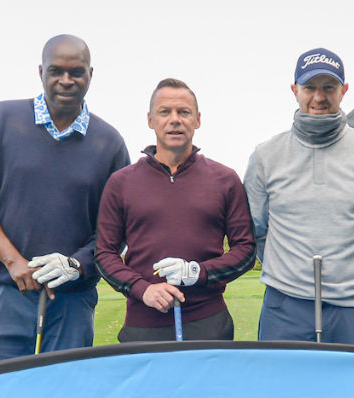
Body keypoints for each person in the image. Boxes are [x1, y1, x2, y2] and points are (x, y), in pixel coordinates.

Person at [0, 34, 130, 364]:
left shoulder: (109, 143)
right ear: (41, 72)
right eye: (56, 71)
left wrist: (77, 265)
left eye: (76, 72)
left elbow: (116, 230)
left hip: (72, 299)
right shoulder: (1, 120)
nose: (66, 80)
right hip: (3, 290)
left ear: (91, 75)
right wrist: (13, 261)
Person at [244, 48, 354, 347]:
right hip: (285, 305)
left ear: (344, 90)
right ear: (295, 90)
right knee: (283, 390)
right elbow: (257, 229)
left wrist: (349, 273)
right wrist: (290, 274)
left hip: (353, 307)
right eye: (310, 87)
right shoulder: (266, 155)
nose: (319, 97)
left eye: (329, 87)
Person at [95, 79, 255, 341]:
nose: (175, 120)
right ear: (150, 120)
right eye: (164, 112)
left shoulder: (224, 179)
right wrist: (141, 288)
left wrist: (198, 273)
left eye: (183, 112)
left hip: (208, 323)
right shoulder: (121, 182)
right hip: (143, 324)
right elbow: (104, 253)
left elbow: (246, 251)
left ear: (197, 119)